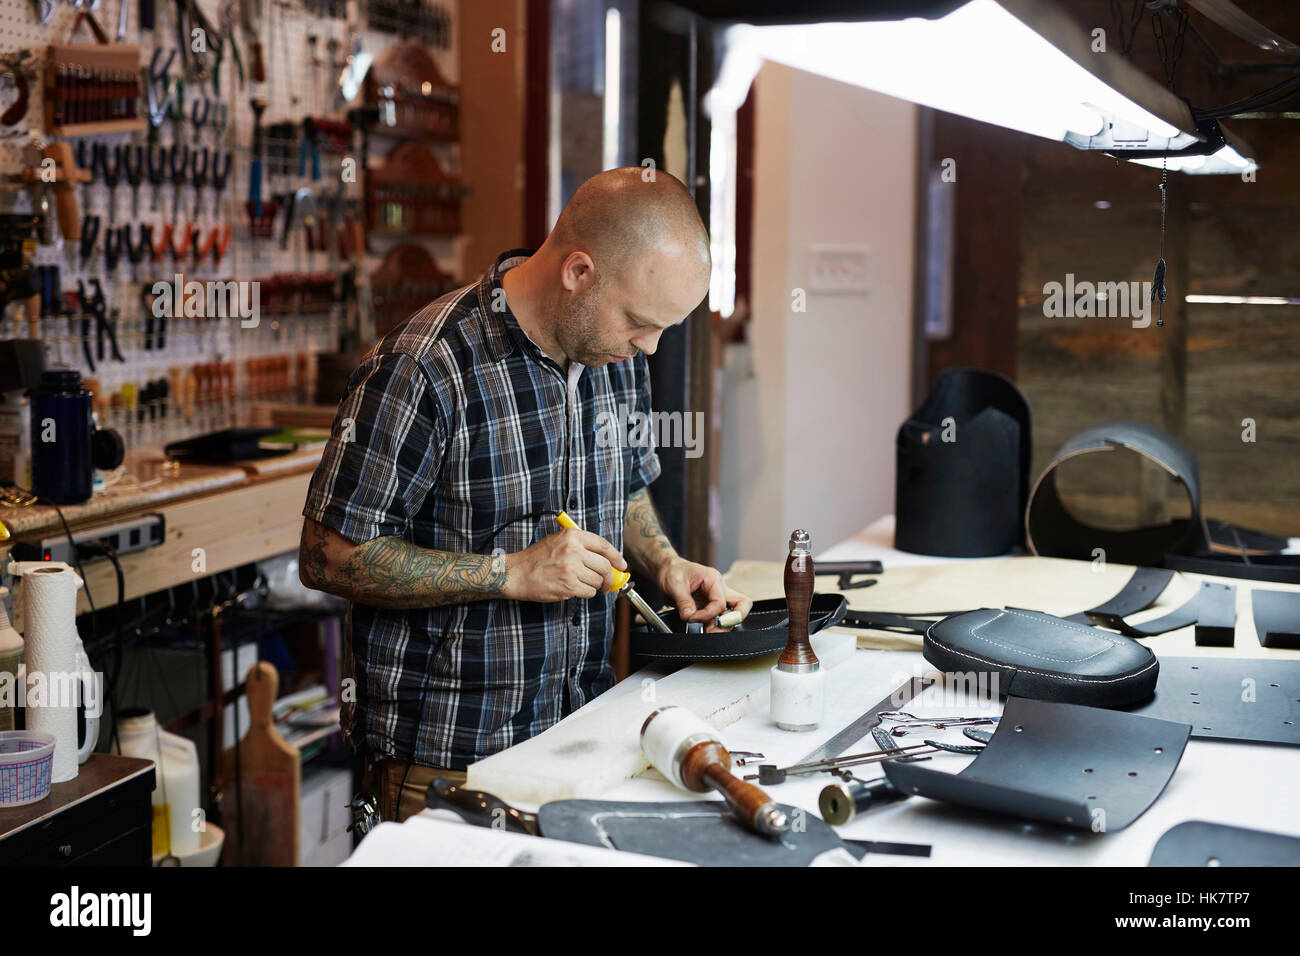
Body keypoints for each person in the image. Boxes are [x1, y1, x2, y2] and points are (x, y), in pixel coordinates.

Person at [298, 167, 752, 822]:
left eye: (662, 329)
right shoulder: (424, 367)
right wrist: (510, 572)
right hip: (448, 764)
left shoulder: (611, 356)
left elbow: (621, 487)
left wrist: (666, 565)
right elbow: (325, 556)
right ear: (578, 273)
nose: (648, 346)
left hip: (582, 737)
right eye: (637, 321)